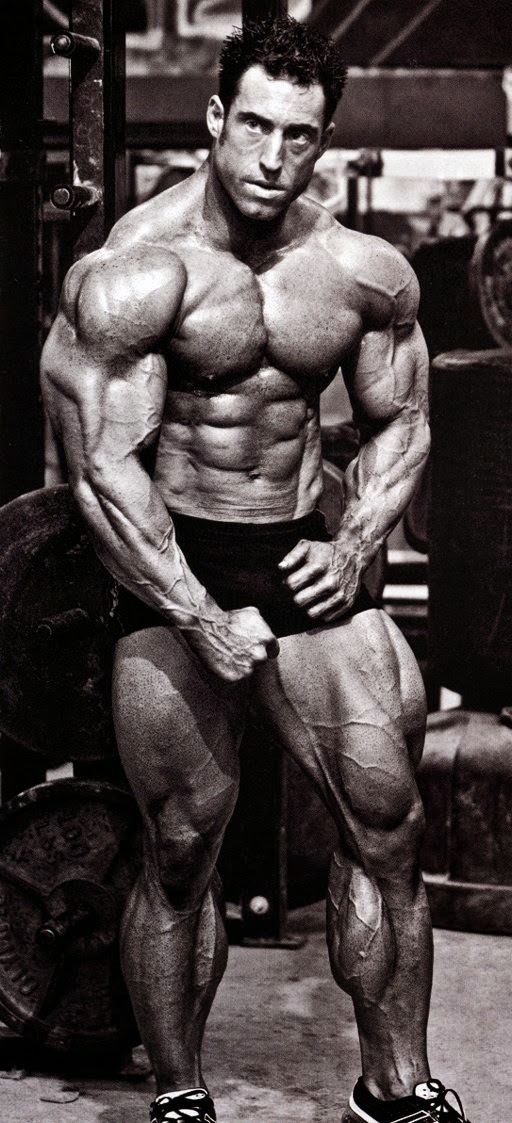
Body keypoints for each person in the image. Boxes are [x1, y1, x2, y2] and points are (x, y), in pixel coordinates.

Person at [41, 17, 472, 1123]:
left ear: (324, 140)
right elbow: (99, 470)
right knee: (182, 847)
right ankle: (181, 1093)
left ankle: (394, 1086)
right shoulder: (137, 271)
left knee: (387, 825)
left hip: (297, 548)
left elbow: (401, 420)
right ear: (216, 118)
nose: (275, 157)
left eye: (302, 135)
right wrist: (196, 612)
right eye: (257, 126)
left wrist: (356, 540)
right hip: (171, 560)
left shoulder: (360, 271)